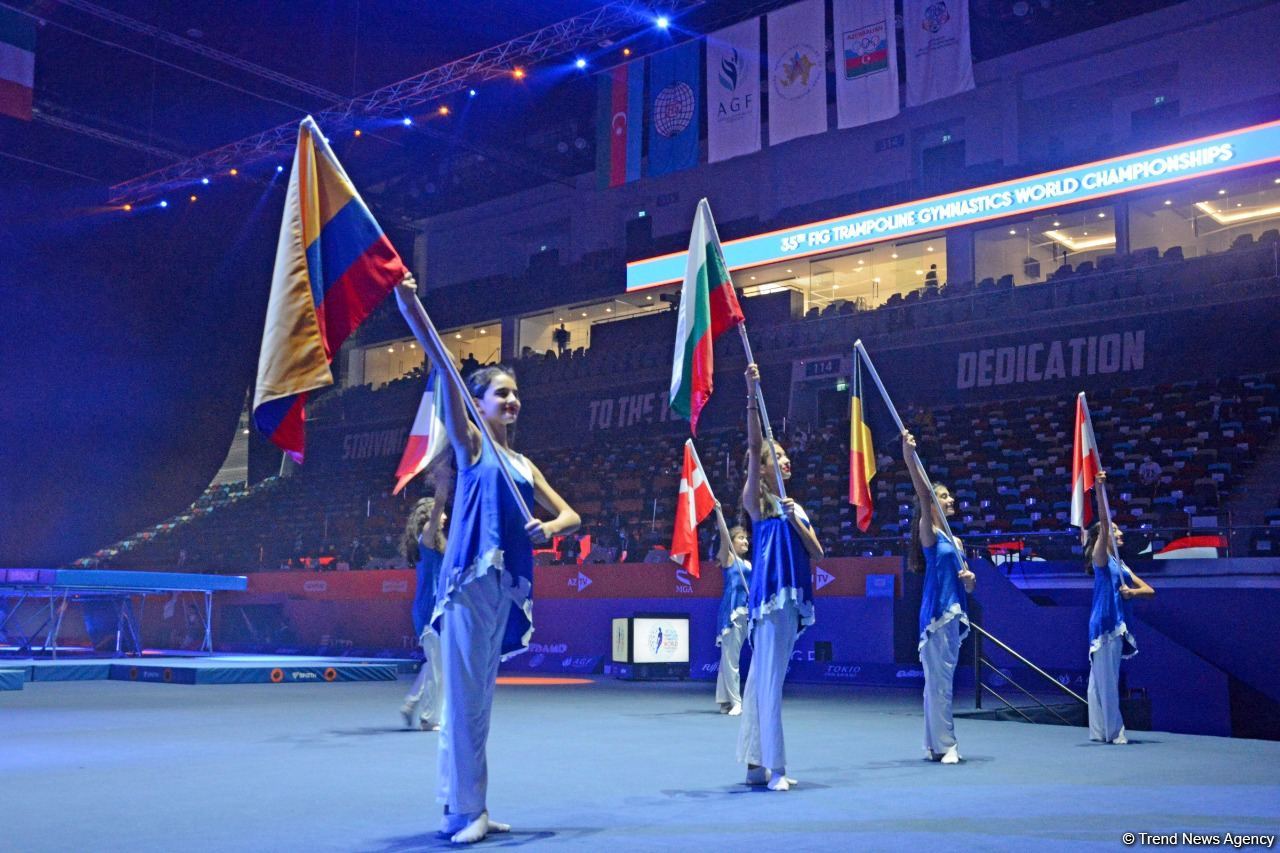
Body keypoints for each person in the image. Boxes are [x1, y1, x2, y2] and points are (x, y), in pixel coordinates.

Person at [404, 276, 581, 845]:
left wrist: (547, 526)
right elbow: (442, 367)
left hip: (505, 587)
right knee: (460, 703)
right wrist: (412, 308)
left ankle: (470, 804)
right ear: (479, 404)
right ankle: (462, 810)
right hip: (468, 583)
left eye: (514, 394)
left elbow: (571, 517)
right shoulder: (473, 447)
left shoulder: (524, 464)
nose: (511, 400)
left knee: (478, 703)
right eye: (499, 393)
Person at [737, 363, 823, 791]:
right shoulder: (756, 504)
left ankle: (754, 762)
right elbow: (753, 447)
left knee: (761, 680)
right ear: (766, 468)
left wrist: (798, 523)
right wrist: (753, 393)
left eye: (786, 456)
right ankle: (777, 768)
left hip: (792, 600)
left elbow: (818, 552)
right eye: (779, 457)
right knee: (768, 681)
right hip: (768, 601)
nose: (785, 461)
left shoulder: (795, 509)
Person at [904, 430, 976, 765]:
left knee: (939, 683)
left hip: (955, 610)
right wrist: (909, 455)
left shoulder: (957, 542)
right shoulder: (928, 533)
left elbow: (967, 586)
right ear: (932, 504)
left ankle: (934, 744)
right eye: (943, 497)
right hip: (935, 614)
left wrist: (970, 581)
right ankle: (947, 744)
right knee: (939, 683)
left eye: (949, 497)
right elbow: (921, 491)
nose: (950, 501)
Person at [1084, 470, 1155, 744]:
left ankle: (1099, 730)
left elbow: (1150, 591)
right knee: (1106, 679)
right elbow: (1102, 520)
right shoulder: (1101, 558)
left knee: (1098, 680)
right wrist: (1100, 489)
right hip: (1105, 623)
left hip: (1118, 622)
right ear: (1103, 535)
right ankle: (1114, 732)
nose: (1120, 532)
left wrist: (1131, 592)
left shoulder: (1122, 565)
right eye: (1114, 529)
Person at [398, 462, 452, 732]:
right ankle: (429, 718)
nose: (444, 517)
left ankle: (414, 704)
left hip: (435, 608)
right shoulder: (427, 538)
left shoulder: (436, 543)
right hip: (429, 610)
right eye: (438, 514)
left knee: (436, 664)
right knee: (437, 669)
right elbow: (440, 505)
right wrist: (442, 482)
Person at [713, 511, 751, 716]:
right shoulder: (728, 559)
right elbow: (723, 535)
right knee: (730, 659)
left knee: (728, 659)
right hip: (730, 612)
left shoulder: (749, 565)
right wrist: (719, 513)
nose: (745, 541)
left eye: (746, 538)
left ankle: (724, 700)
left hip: (745, 612)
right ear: (732, 542)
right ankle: (736, 701)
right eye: (741, 538)